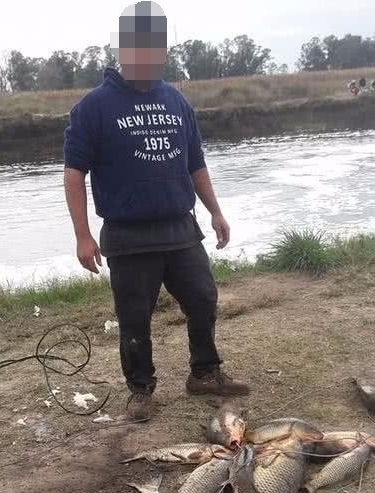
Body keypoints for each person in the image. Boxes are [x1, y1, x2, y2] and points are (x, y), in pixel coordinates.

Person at [63, 1, 250, 422]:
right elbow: (73, 173)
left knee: (203, 298)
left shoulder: (176, 100)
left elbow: (195, 163)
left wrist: (216, 212)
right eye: (140, 48)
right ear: (123, 50)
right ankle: (141, 390)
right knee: (134, 318)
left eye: (157, 47)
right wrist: (82, 235)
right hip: (127, 235)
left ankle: (204, 372)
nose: (150, 56)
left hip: (180, 228)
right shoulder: (93, 107)